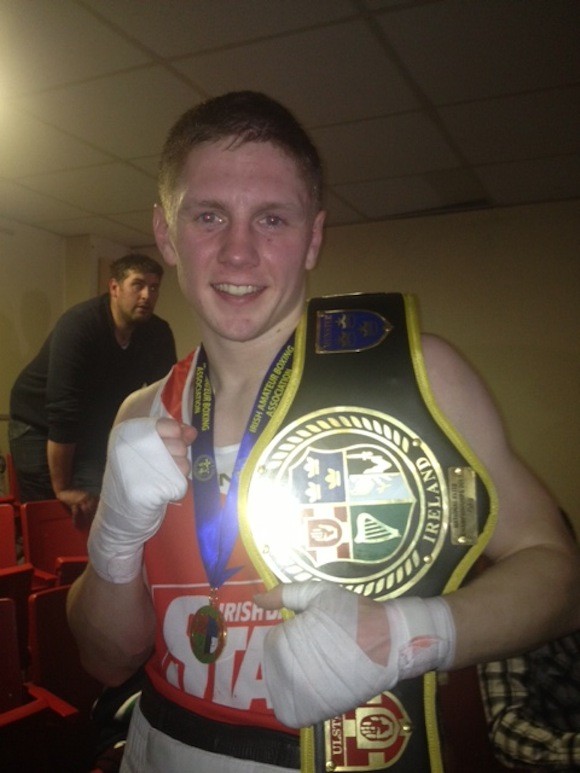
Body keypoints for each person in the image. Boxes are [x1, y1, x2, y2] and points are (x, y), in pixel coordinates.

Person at [67, 92, 580, 773]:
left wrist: (406, 635)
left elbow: (559, 575)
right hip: (158, 747)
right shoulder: (141, 415)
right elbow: (105, 658)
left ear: (313, 235)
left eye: (271, 218)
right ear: (166, 233)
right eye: (210, 215)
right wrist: (114, 535)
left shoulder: (417, 377)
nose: (239, 251)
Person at [9, 253, 177, 527]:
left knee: (92, 501)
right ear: (114, 287)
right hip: (37, 422)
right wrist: (63, 489)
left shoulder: (157, 334)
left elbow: (167, 400)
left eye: (154, 287)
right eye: (138, 285)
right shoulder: (79, 326)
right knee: (48, 510)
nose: (147, 295)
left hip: (91, 425)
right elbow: (62, 412)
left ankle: (86, 565)